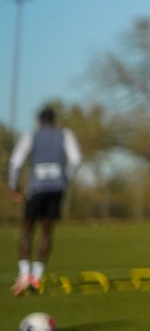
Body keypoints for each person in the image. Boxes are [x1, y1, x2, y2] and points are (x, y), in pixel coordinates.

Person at [8, 106, 81, 296]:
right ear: (54, 120)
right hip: (56, 188)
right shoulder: (65, 134)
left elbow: (16, 162)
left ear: (39, 121)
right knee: (47, 232)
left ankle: (24, 275)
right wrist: (66, 178)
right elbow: (75, 159)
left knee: (27, 230)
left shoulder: (31, 136)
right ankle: (37, 276)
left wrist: (14, 186)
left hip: (37, 188)